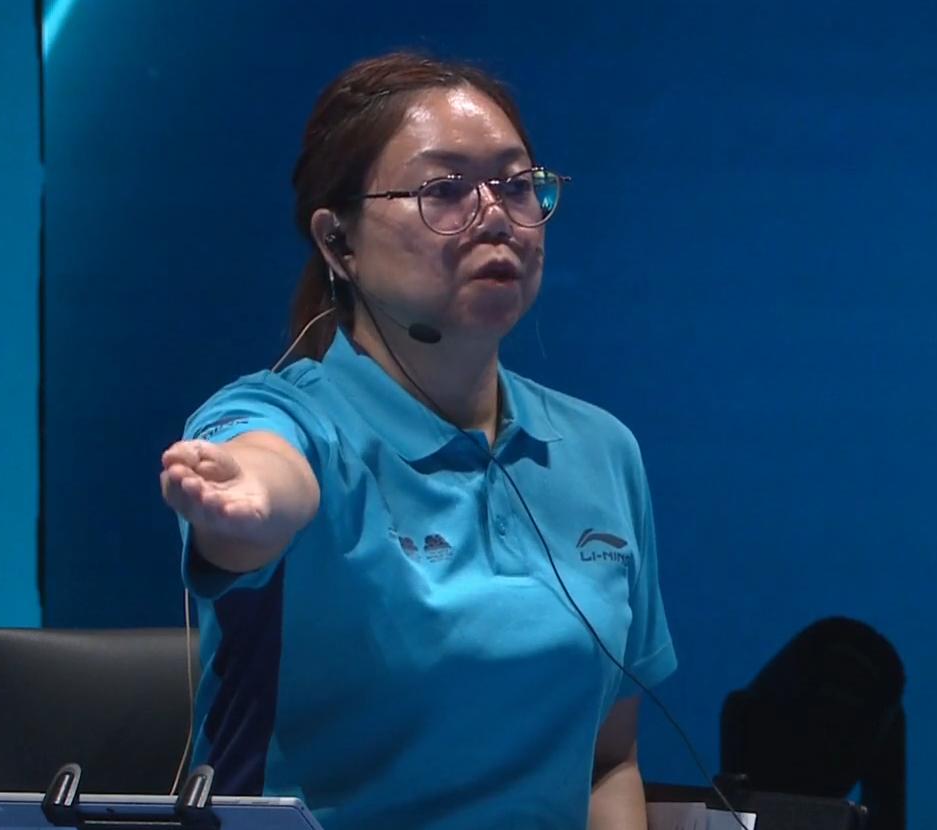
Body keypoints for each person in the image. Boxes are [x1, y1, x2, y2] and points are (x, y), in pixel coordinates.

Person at [159, 51, 676, 830]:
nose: (495, 216)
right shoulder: (286, 414)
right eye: (445, 190)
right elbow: (267, 471)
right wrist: (254, 503)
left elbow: (608, 763)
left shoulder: (601, 450)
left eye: (515, 185)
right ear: (338, 243)